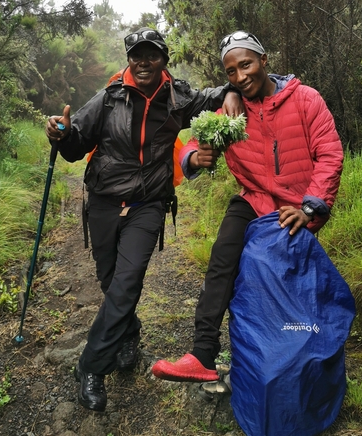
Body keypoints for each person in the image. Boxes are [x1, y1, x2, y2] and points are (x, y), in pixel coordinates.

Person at [45, 27, 243, 411]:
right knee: (110, 281)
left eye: (151, 54)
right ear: (129, 59)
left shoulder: (178, 96)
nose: (143, 61)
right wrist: (60, 133)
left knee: (127, 281)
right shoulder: (107, 99)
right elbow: (74, 146)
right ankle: (129, 333)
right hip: (103, 202)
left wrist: (231, 91)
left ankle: (91, 367)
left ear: (164, 59)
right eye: (137, 54)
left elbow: (216, 94)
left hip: (148, 204)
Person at [151, 30, 344, 382]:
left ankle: (305, 364)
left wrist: (310, 209)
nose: (240, 77)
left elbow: (329, 155)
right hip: (253, 200)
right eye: (231, 73)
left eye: (246, 65)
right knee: (222, 262)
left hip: (296, 208)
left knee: (288, 287)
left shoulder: (305, 100)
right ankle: (203, 355)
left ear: (264, 61)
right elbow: (194, 142)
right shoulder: (232, 111)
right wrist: (194, 158)